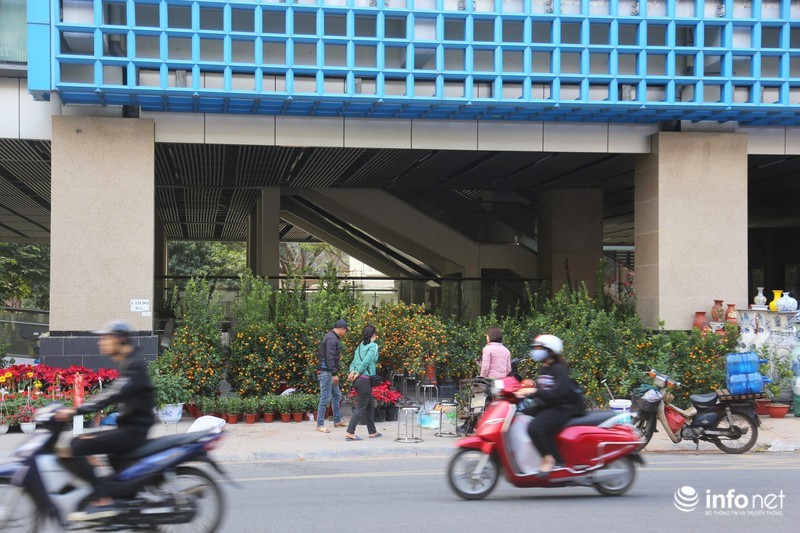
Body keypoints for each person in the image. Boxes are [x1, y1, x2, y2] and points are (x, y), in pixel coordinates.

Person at [55, 321, 155, 521]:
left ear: (119, 339)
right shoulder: (128, 362)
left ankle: (102, 498)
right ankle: (117, 498)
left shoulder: (134, 365)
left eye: (105, 338)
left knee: (77, 444)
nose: (101, 343)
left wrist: (76, 410)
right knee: (84, 445)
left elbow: (112, 395)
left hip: (133, 432)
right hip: (129, 428)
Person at [522, 334, 585, 476]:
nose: (536, 351)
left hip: (562, 408)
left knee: (535, 428)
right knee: (520, 415)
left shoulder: (559, 370)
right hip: (549, 405)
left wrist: (534, 391)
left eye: (539, 348)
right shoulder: (545, 368)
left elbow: (555, 395)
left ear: (550, 351)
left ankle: (549, 458)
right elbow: (543, 393)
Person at [344, 325, 382, 441]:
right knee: (361, 407)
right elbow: (367, 361)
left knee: (370, 405)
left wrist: (352, 372)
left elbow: (354, 361)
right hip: (364, 379)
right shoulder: (373, 346)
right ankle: (350, 432)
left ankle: (372, 431)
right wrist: (357, 373)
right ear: (373, 335)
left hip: (358, 380)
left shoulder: (360, 346)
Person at [315, 319, 348, 433]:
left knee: (336, 395)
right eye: (345, 331)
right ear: (342, 329)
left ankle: (337, 420)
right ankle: (320, 425)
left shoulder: (331, 337)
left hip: (328, 372)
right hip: (326, 372)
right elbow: (329, 357)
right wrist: (334, 373)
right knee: (325, 398)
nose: (345, 334)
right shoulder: (332, 339)